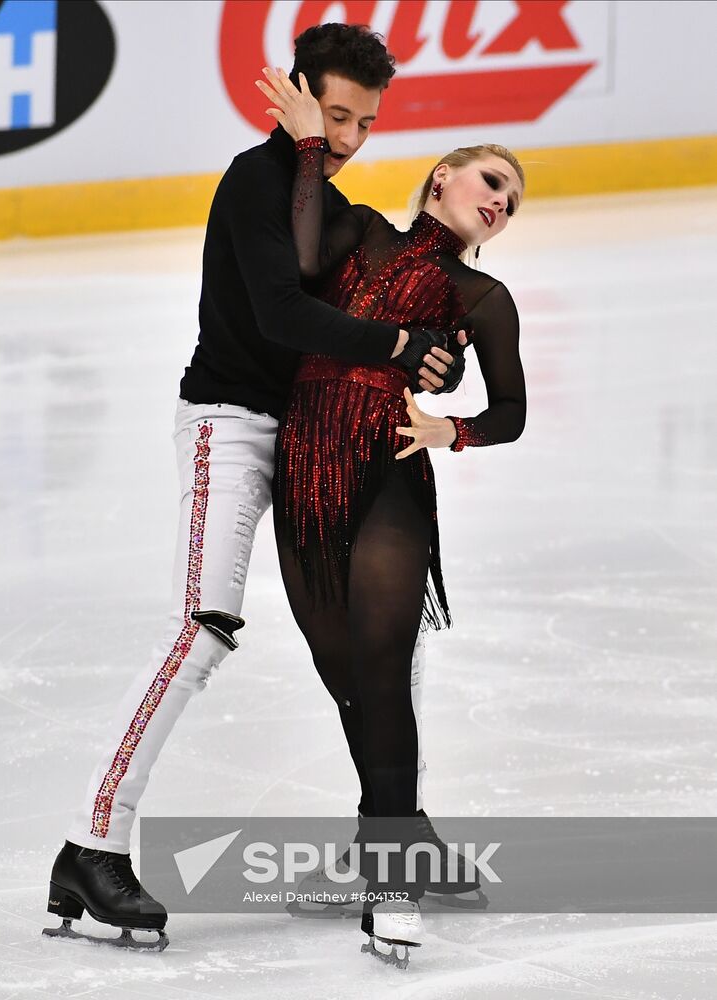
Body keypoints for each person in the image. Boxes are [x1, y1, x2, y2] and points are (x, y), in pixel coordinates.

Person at [42, 24, 465, 952]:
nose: (353, 137)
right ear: (303, 96)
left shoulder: (328, 196)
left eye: (367, 121)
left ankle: (391, 821)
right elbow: (282, 312)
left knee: (378, 631)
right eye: (338, 116)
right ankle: (91, 842)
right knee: (200, 628)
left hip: (314, 436)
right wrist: (395, 345)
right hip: (230, 426)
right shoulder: (254, 181)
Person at [260, 67, 527, 967]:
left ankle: (393, 877)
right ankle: (403, 829)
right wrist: (308, 143)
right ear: (442, 177)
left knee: (380, 674)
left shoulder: (485, 300)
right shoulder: (361, 236)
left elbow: (513, 414)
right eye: (493, 181)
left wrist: (453, 430)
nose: (502, 203)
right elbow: (295, 261)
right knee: (342, 675)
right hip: (304, 465)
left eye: (513, 203)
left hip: (390, 485)